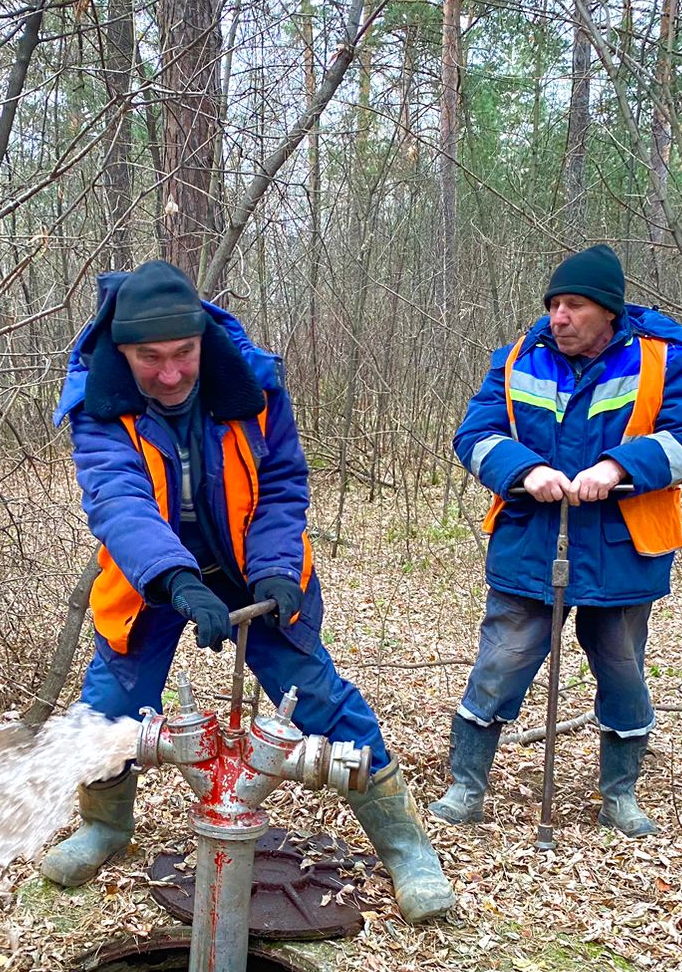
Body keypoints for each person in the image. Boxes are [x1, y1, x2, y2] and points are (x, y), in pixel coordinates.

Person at [42, 258, 453, 923]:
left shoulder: (254, 387)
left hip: (253, 563)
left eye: (183, 354)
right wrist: (175, 580)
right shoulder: (97, 405)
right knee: (110, 706)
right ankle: (105, 827)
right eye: (151, 358)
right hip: (149, 571)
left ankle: (404, 845)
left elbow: (284, 483)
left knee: (319, 693)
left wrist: (276, 570)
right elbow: (118, 502)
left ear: (204, 339)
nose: (171, 373)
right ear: (123, 351)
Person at [432, 244, 682, 835]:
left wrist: (618, 467)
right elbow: (476, 433)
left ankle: (620, 794)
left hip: (623, 547)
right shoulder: (518, 357)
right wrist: (524, 470)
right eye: (553, 305)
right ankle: (467, 787)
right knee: (501, 661)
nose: (557, 317)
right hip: (529, 541)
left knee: (621, 668)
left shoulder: (664, 361)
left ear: (607, 312)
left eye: (573, 305)